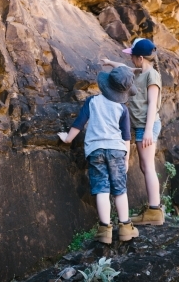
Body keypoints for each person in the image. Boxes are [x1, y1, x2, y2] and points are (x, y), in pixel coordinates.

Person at [58, 66, 140, 244]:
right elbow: (126, 136)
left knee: (101, 188)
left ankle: (104, 230)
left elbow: (79, 123)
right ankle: (125, 227)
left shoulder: (92, 102)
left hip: (95, 150)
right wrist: (126, 158)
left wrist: (67, 138)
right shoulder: (122, 109)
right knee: (119, 190)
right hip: (117, 150)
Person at [101, 38, 164, 226]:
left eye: (133, 57)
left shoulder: (152, 75)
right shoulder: (139, 72)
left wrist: (147, 132)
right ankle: (154, 210)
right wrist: (109, 62)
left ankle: (155, 211)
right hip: (139, 126)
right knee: (145, 167)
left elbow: (153, 103)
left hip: (146, 126)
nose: (131, 60)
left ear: (141, 57)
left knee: (148, 166)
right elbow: (122, 67)